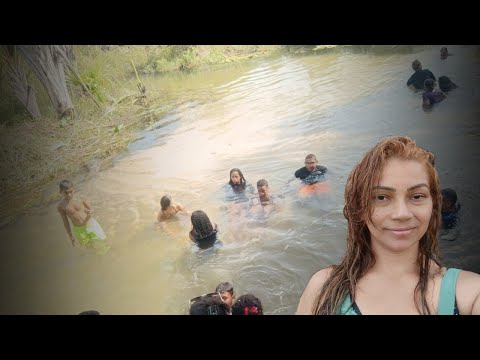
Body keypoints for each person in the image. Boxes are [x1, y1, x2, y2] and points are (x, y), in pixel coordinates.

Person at [296, 136, 480, 315]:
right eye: (381, 197)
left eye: (417, 196)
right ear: (359, 208)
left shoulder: (469, 293)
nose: (402, 214)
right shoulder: (323, 290)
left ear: (433, 205)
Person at [57, 180, 107, 248]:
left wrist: (90, 211)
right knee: (89, 247)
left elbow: (91, 209)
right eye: (66, 193)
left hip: (90, 224)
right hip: (79, 230)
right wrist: (70, 236)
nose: (69, 195)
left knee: (102, 241)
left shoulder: (80, 197)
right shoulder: (61, 206)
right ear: (60, 192)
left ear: (73, 189)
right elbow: (65, 221)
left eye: (70, 192)